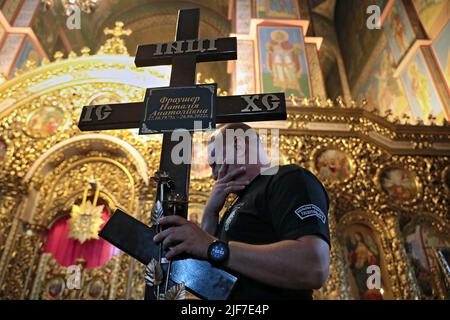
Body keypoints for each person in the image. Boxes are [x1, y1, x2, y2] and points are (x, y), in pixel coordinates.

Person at [153, 123, 330, 299]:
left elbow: (313, 266)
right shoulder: (235, 203)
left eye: (215, 164)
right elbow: (208, 272)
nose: (214, 175)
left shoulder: (287, 178)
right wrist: (210, 214)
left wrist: (213, 247)